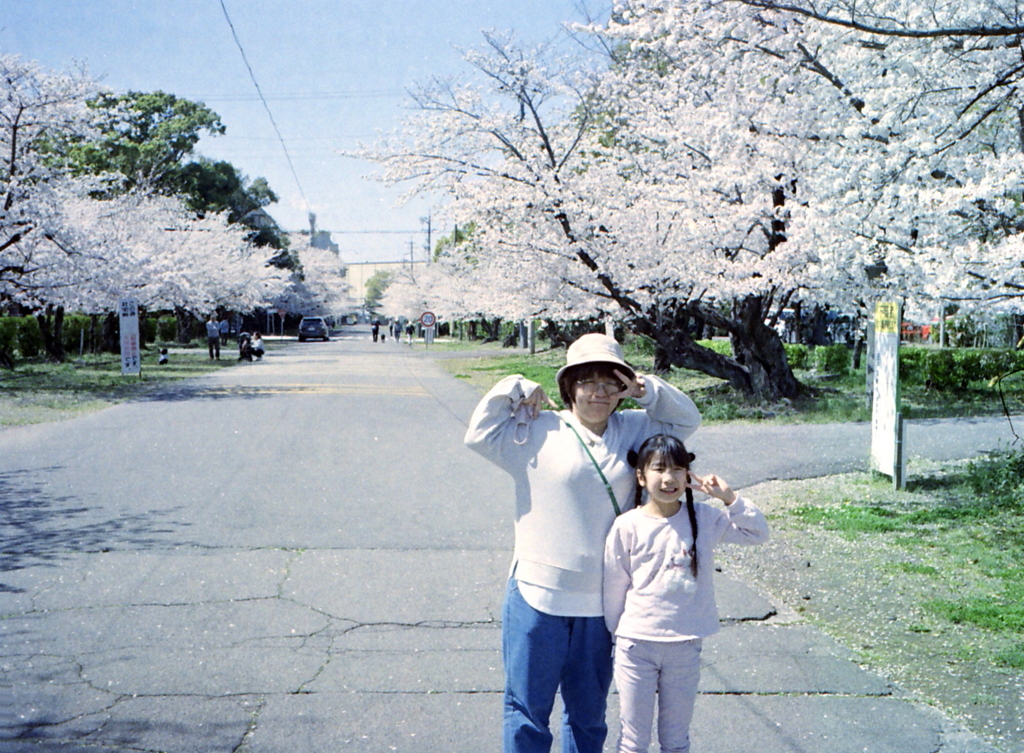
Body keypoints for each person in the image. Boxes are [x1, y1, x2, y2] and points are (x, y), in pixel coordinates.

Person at [464, 333, 702, 753]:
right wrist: (515, 386)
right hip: (537, 596)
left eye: (611, 382)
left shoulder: (635, 429)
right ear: (568, 387)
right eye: (587, 381)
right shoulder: (537, 427)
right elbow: (479, 434)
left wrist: (647, 390)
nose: (599, 392)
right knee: (526, 713)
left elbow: (687, 421)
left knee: (588, 717)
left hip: (601, 603)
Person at [603, 434, 770, 753]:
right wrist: (616, 633)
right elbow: (614, 585)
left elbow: (757, 533)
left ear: (688, 474)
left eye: (677, 469)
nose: (669, 478)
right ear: (641, 476)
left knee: (676, 740)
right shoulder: (627, 525)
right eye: (658, 469)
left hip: (685, 644)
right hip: (636, 645)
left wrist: (730, 499)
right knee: (633, 741)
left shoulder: (705, 518)